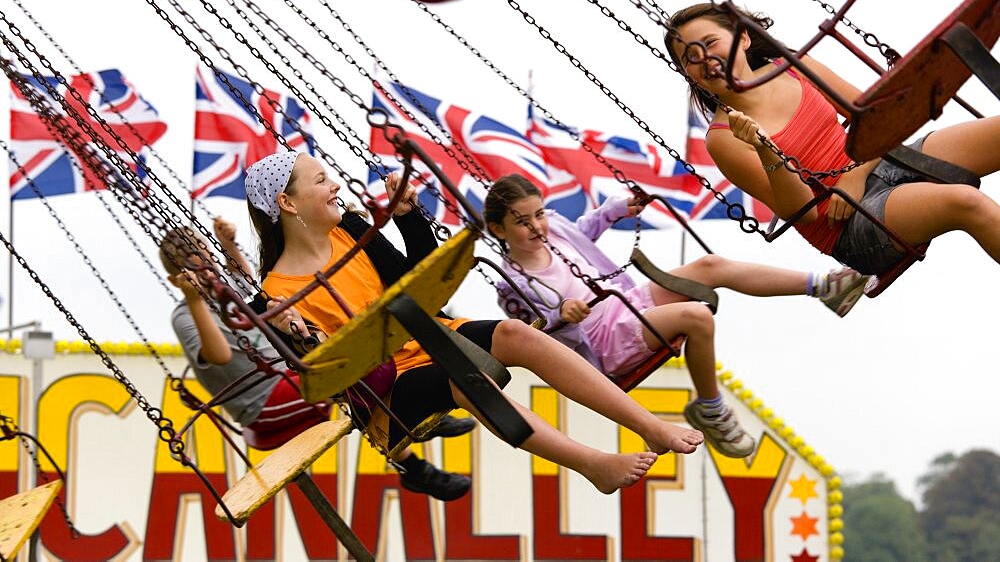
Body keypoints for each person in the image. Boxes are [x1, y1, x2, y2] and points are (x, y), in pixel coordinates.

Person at [244, 151, 710, 494]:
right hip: (387, 394)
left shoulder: (350, 230)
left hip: (431, 335)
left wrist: (408, 219)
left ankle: (647, 424)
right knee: (465, 380)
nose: (336, 187)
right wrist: (307, 339)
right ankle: (593, 464)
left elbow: (419, 289)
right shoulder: (275, 295)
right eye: (322, 180)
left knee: (514, 333)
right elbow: (327, 380)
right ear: (287, 203)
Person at [483, 174, 866, 457]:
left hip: (624, 301)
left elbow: (583, 231)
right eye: (522, 221)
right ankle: (711, 410)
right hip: (603, 345)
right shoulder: (510, 281)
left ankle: (826, 288)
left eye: (538, 214)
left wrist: (614, 210)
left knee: (710, 266)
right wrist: (561, 315)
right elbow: (533, 330)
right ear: (499, 229)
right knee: (696, 317)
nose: (537, 226)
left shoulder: (555, 228)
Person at [663, 3, 1000, 277]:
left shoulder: (792, 66)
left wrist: (854, 175)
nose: (703, 58)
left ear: (744, 38)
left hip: (875, 162)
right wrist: (767, 150)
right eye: (689, 58)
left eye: (710, 43)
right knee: (964, 202)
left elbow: (874, 118)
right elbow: (801, 213)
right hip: (848, 225)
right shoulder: (724, 139)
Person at [160, 217, 476, 501]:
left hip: (287, 380)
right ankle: (412, 439)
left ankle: (414, 457)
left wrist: (229, 244)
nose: (207, 265)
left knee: (351, 363)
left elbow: (247, 286)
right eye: (194, 262)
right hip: (262, 402)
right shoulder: (185, 315)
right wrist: (193, 298)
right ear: (178, 275)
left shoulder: (226, 290)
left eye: (206, 253)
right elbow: (220, 354)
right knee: (347, 372)